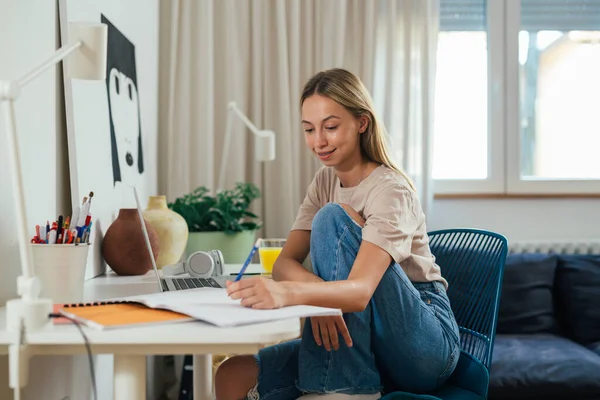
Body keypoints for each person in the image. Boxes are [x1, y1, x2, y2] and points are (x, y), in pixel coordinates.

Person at [215, 68, 460, 400]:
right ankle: (343, 384)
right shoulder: (325, 181)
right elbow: (284, 263)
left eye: (330, 127)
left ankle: (346, 390)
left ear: (362, 122)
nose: (319, 141)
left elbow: (359, 292)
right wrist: (324, 299)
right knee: (231, 375)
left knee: (332, 217)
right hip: (357, 338)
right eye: (309, 129)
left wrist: (291, 294)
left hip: (422, 344)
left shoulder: (391, 190)